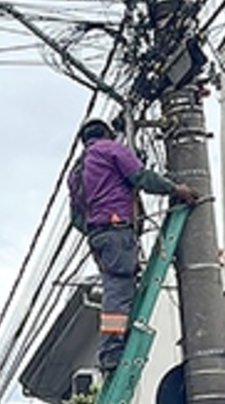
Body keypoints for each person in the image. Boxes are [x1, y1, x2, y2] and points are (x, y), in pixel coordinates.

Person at [68, 119, 199, 372]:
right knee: (118, 291)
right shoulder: (111, 150)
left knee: (118, 288)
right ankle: (111, 351)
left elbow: (76, 218)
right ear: (107, 134)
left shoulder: (76, 171)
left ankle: (115, 344)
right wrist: (175, 189)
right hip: (116, 230)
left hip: (98, 236)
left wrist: (97, 228)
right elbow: (141, 177)